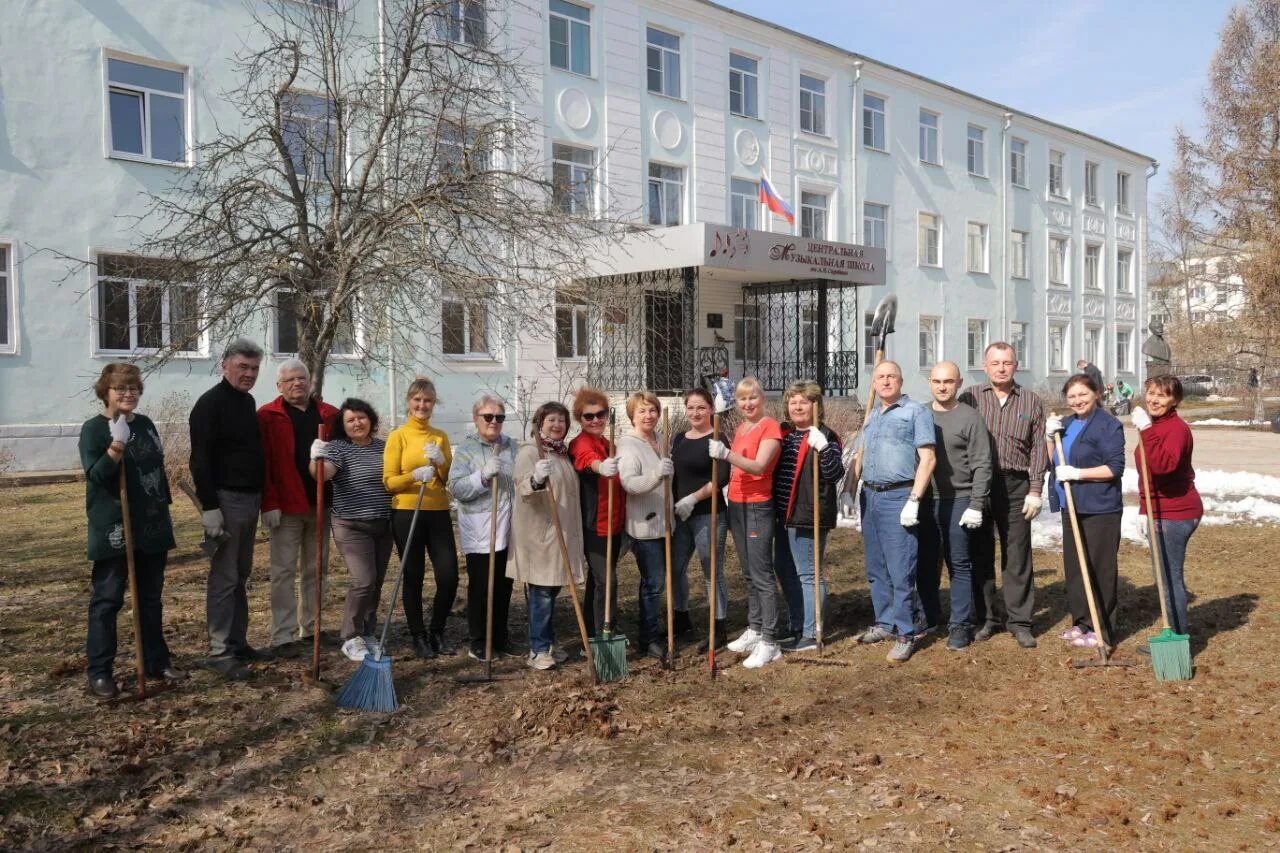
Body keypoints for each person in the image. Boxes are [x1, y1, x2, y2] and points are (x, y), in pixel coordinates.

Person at [79, 364, 183, 699]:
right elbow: (95, 477)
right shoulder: (94, 430)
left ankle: (156, 661)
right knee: (107, 601)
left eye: (134, 388)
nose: (129, 394)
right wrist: (116, 447)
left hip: (151, 526)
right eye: (121, 388)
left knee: (150, 599)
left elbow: (155, 469)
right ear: (105, 391)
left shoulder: (147, 424)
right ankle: (99, 672)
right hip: (114, 527)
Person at [190, 338, 270, 679]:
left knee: (241, 575)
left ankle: (237, 642)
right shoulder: (210, 405)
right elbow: (200, 459)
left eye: (253, 368)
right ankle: (219, 650)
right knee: (224, 578)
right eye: (242, 367)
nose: (249, 374)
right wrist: (210, 507)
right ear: (225, 365)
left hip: (250, 500)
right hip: (225, 500)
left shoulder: (247, 401)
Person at [959, 342, 1048, 648]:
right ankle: (985, 618)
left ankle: (1020, 621)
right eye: (995, 362)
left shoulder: (1031, 401)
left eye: (1007, 362)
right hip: (978, 486)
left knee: (1017, 555)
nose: (1001, 368)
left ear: (1015, 365)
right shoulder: (969, 397)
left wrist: (1035, 489)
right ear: (985, 366)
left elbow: (1038, 449)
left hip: (1016, 486)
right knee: (980, 553)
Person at [853, 361, 936, 664]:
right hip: (870, 496)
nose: (885, 381)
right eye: (880, 377)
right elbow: (862, 457)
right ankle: (885, 621)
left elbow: (928, 459)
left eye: (891, 376)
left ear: (901, 381)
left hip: (898, 495)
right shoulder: (872, 415)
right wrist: (852, 488)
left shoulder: (916, 412)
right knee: (876, 568)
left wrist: (914, 498)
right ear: (873, 383)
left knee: (901, 570)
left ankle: (905, 632)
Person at [257, 359, 339, 658]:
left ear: (310, 380)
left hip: (320, 505)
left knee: (316, 570)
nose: (297, 384)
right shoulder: (268, 415)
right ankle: (282, 634)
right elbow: (263, 463)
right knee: (283, 571)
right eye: (290, 380)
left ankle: (312, 628)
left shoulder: (329, 414)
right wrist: (268, 502)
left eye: (301, 378)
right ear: (279, 386)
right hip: (286, 506)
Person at [309, 398, 393, 662]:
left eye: (361, 417)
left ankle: (368, 633)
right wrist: (316, 459)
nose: (357, 423)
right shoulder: (337, 449)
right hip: (351, 525)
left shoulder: (384, 447)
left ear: (371, 420)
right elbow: (322, 475)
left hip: (383, 524)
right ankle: (349, 636)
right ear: (343, 426)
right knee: (363, 580)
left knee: (376, 582)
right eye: (350, 420)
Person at [709, 377, 785, 669]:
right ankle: (755, 628)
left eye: (752, 398)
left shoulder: (770, 427)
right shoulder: (741, 428)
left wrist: (727, 454)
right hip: (737, 503)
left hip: (757, 505)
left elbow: (759, 466)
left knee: (762, 574)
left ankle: (770, 640)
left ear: (762, 398)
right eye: (742, 399)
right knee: (748, 573)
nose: (747, 403)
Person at [916, 362, 992, 651]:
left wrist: (976, 503)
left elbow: (982, 463)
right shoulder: (921, 414)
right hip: (926, 500)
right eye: (936, 381)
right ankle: (929, 614)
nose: (942, 386)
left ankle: (959, 625)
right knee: (926, 563)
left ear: (959, 383)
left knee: (958, 563)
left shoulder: (969, 418)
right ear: (930, 383)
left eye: (948, 381)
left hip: (959, 499)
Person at [1047, 374, 1126, 650]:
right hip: (1072, 506)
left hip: (1100, 507)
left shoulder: (1108, 425)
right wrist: (1049, 436)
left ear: (1096, 394)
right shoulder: (1066, 424)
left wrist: (1079, 473)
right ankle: (1082, 621)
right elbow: (1053, 461)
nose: (1077, 400)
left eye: (1083, 394)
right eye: (1071, 396)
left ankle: (1102, 628)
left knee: (1100, 568)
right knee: (1076, 567)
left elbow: (1114, 468)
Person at [382, 377, 458, 659]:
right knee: (413, 575)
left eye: (427, 400)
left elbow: (449, 478)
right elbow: (389, 482)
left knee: (448, 576)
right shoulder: (398, 436)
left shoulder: (440, 436)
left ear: (433, 403)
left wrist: (440, 462)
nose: (422, 405)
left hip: (437, 511)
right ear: (409, 402)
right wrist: (413, 476)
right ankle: (418, 635)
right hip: (406, 511)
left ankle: (437, 630)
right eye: (417, 400)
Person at [510, 402, 585, 670]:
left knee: (551, 591)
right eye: (551, 420)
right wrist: (536, 479)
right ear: (540, 423)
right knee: (541, 593)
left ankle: (549, 642)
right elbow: (522, 488)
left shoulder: (562, 454)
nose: (557, 425)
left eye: (561, 421)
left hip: (560, 534)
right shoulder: (530, 452)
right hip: (539, 536)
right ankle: (538, 649)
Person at [771, 380, 844, 652]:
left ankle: (812, 634)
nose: (798, 406)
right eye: (793, 401)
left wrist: (824, 448)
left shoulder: (826, 435)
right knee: (785, 571)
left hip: (808, 515)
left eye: (804, 401)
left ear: (816, 405)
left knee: (809, 575)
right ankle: (797, 624)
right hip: (782, 515)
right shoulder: (784, 433)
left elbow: (835, 473)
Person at [447, 394, 520, 661]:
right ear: (476, 419)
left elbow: (520, 480)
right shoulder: (467, 450)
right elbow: (455, 488)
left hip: (508, 527)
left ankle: (500, 637)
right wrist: (482, 476)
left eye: (499, 417)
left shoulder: (512, 447)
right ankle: (479, 640)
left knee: (503, 585)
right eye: (488, 417)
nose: (494, 422)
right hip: (481, 529)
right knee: (481, 586)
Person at [1131, 375, 1203, 644]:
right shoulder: (1155, 425)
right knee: (1163, 575)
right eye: (1150, 393)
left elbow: (1163, 466)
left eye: (1161, 395)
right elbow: (1146, 474)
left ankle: (1178, 639)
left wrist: (1147, 431)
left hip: (1177, 512)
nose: (1154, 399)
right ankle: (1173, 631)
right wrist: (1142, 508)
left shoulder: (1176, 429)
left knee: (1170, 578)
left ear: (1175, 400)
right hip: (1157, 509)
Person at [670, 387, 730, 650]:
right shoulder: (679, 439)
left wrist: (693, 499)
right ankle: (681, 620)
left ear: (711, 410)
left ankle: (718, 628)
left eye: (701, 408)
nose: (695, 412)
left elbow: (721, 478)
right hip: (679, 517)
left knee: (711, 571)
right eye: (691, 407)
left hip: (708, 514)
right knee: (675, 568)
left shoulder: (718, 438)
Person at [617, 391, 674, 661]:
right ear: (632, 416)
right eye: (642, 411)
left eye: (652, 410)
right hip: (645, 527)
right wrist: (655, 475)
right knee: (653, 584)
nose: (648, 415)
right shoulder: (629, 445)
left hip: (665, 524)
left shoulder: (659, 439)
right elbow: (629, 484)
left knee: (660, 583)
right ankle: (649, 638)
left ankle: (655, 630)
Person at [567, 387, 626, 641]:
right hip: (595, 526)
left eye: (600, 414)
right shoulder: (581, 442)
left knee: (598, 580)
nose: (595, 420)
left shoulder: (607, 443)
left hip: (614, 523)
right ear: (580, 419)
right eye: (588, 416)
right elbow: (584, 459)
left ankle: (593, 628)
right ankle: (605, 631)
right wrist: (600, 466)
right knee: (607, 581)